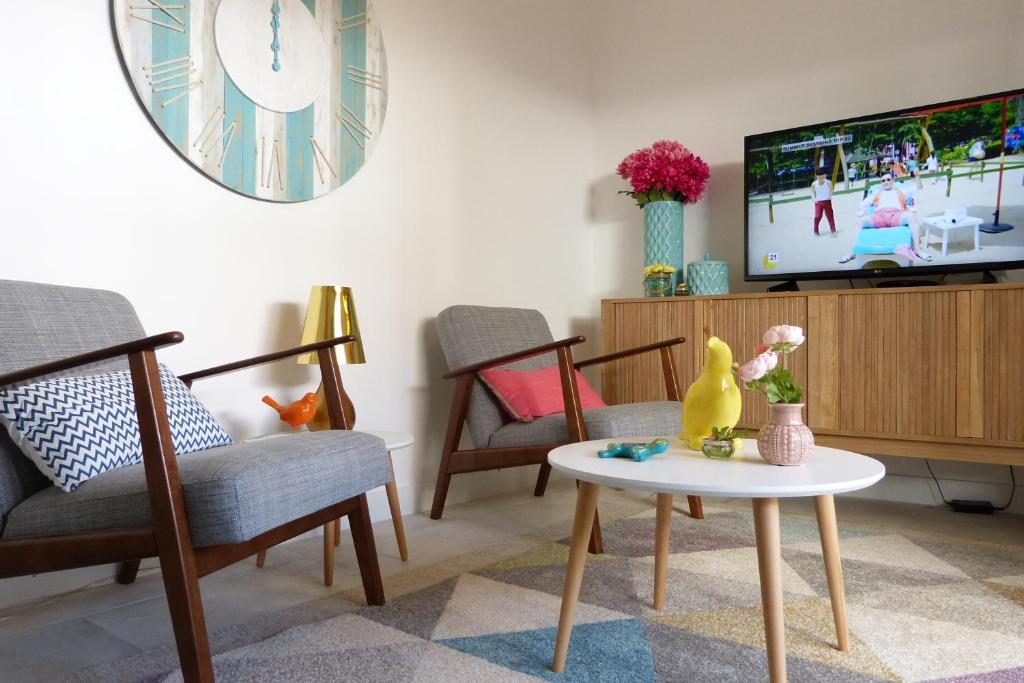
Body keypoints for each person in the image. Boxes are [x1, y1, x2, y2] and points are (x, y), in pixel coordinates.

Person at [837, 171, 932, 263]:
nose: (886, 182)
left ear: (893, 180)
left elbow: (919, 187)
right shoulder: (876, 193)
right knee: (859, 221)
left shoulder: (901, 191)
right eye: (883, 180)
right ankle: (853, 252)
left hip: (895, 215)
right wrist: (862, 212)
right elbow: (863, 203)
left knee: (911, 216)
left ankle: (917, 249)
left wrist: (917, 176)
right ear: (881, 183)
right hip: (879, 216)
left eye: (888, 179)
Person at [810, 169, 837, 236]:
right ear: (816, 176)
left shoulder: (828, 182)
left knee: (830, 216)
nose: (821, 178)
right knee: (817, 216)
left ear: (825, 175)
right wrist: (814, 200)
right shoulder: (814, 184)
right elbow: (812, 193)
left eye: (823, 177)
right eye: (819, 177)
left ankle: (833, 230)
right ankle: (815, 230)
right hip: (818, 202)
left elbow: (831, 190)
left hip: (827, 201)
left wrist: (829, 197)